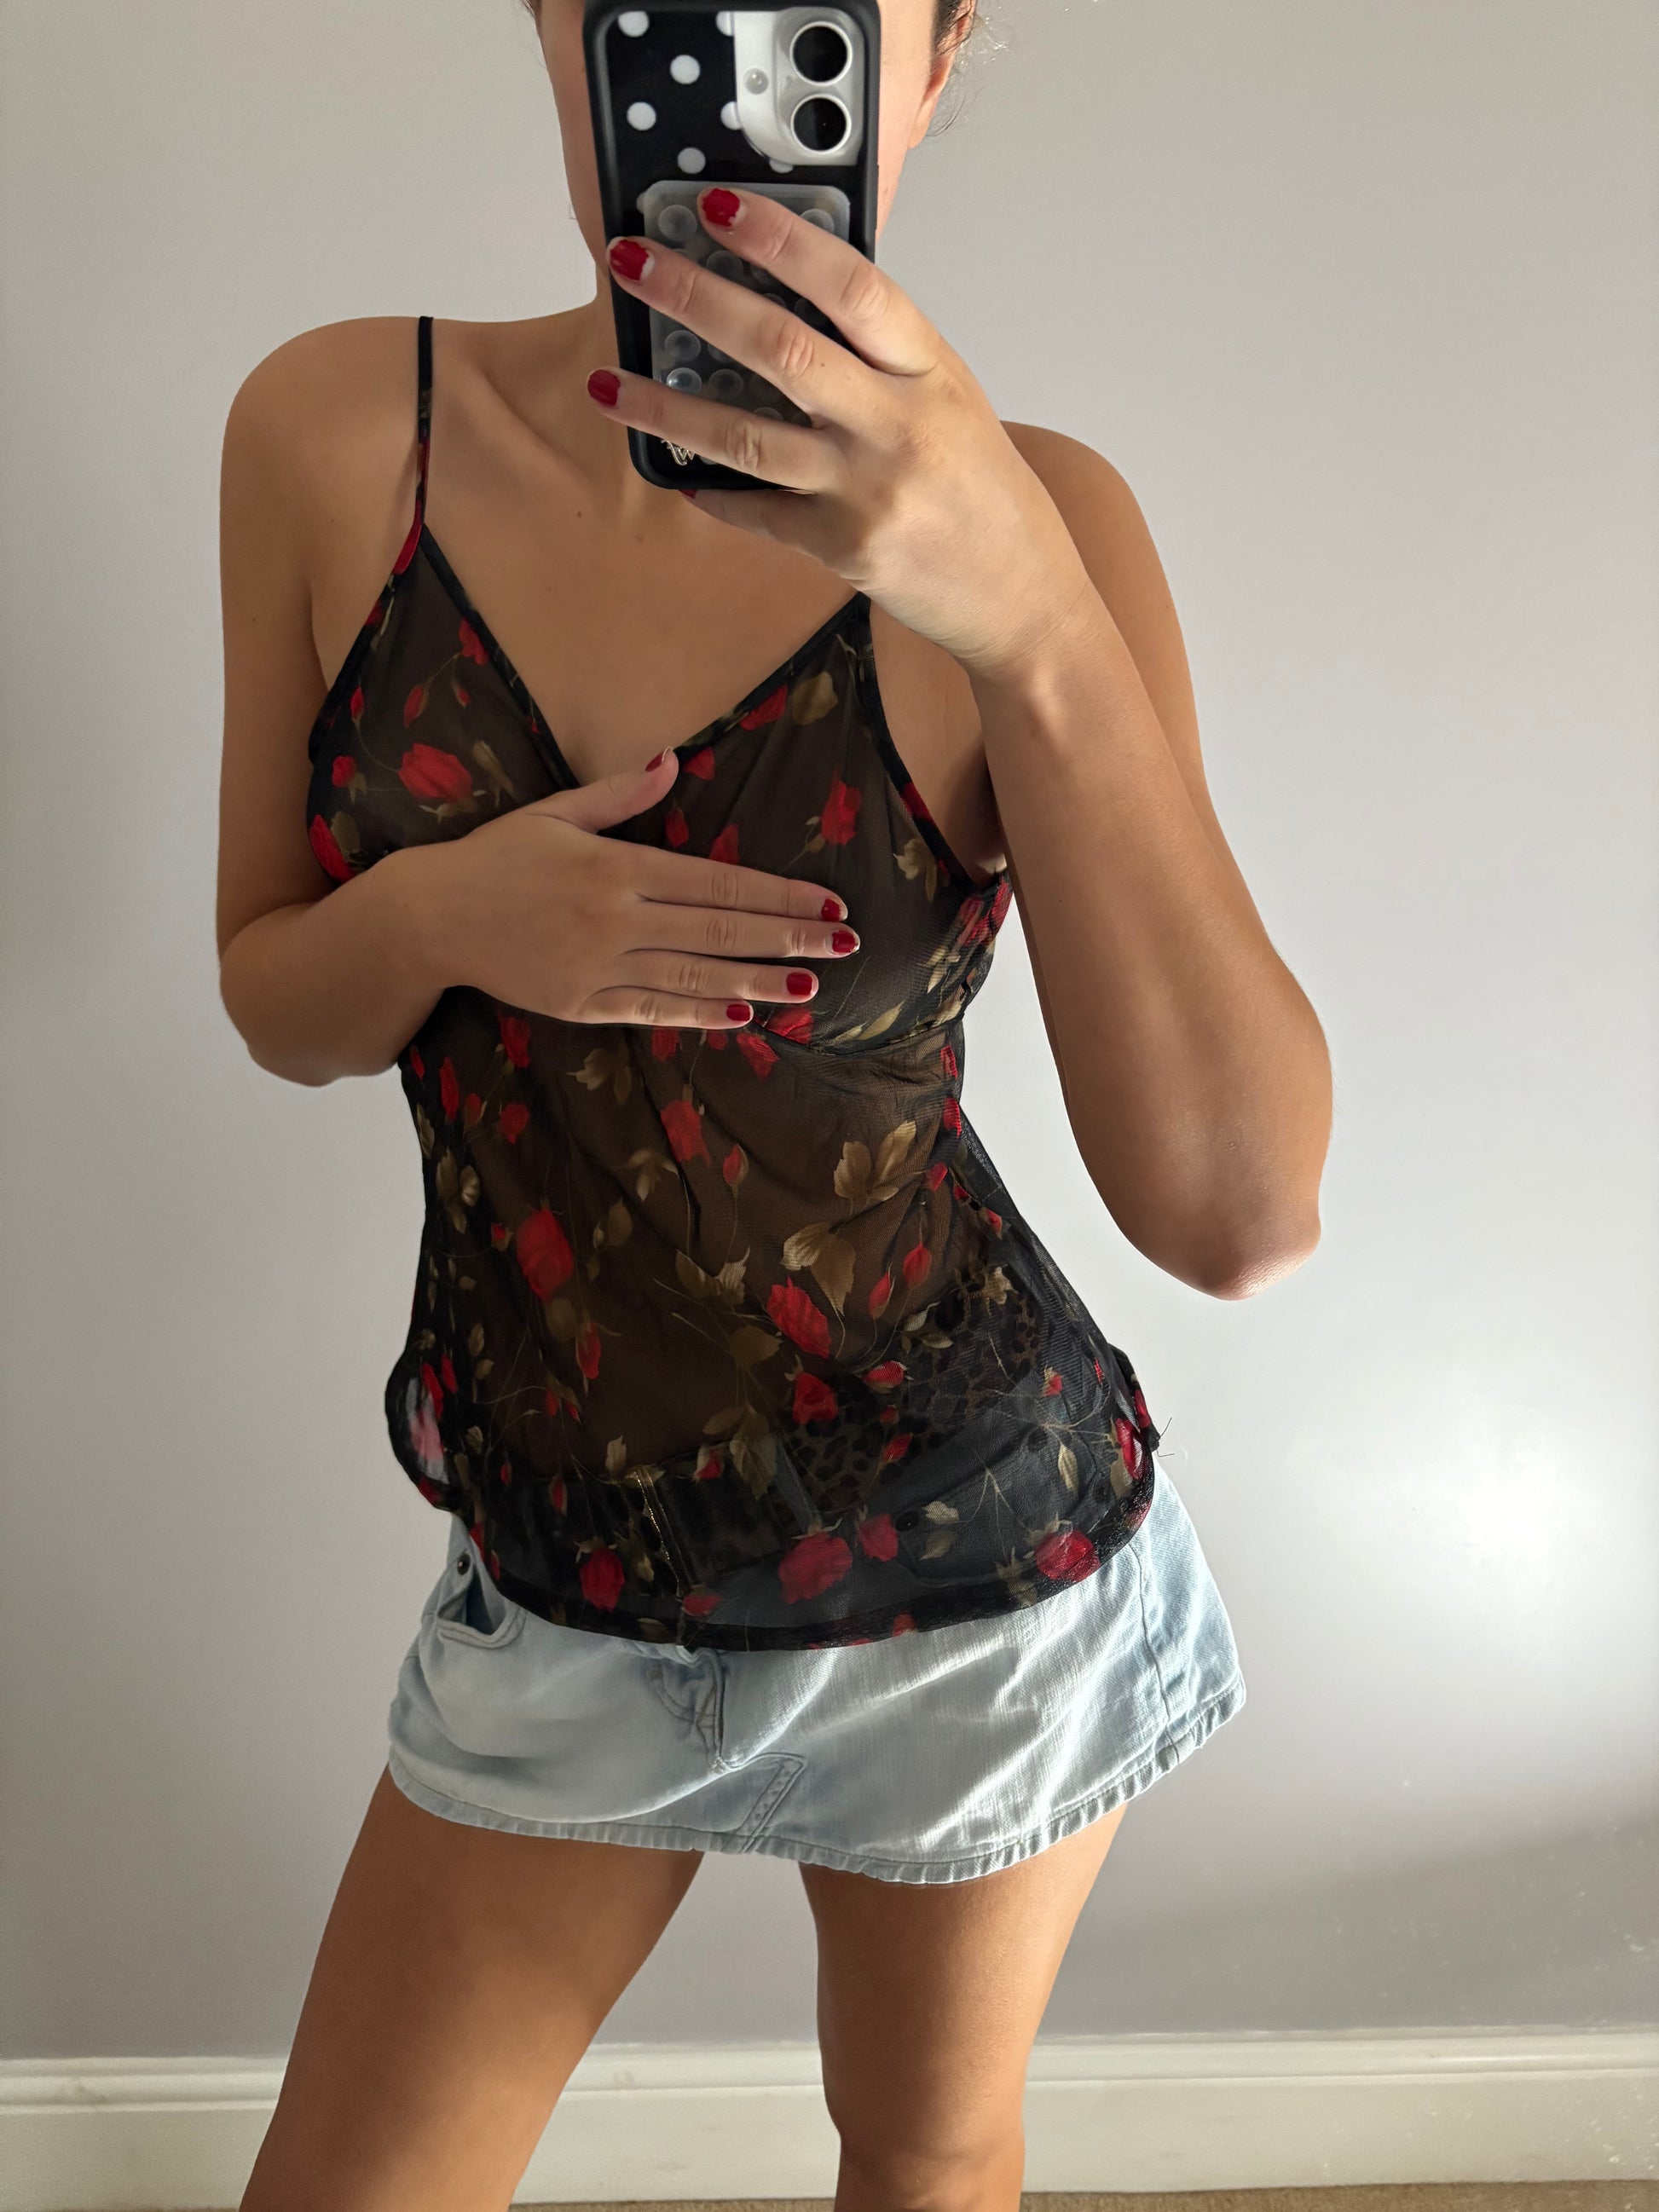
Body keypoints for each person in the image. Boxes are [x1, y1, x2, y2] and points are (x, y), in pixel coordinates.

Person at [217, 1, 1332, 2204]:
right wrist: (449, 912)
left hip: (966, 1570)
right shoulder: (341, 432)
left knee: (922, 2160)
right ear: (551, 27)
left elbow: (1239, 1211)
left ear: (932, 58)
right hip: (562, 1571)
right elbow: (281, 998)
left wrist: (1032, 617)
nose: (716, 71)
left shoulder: (1050, 527)